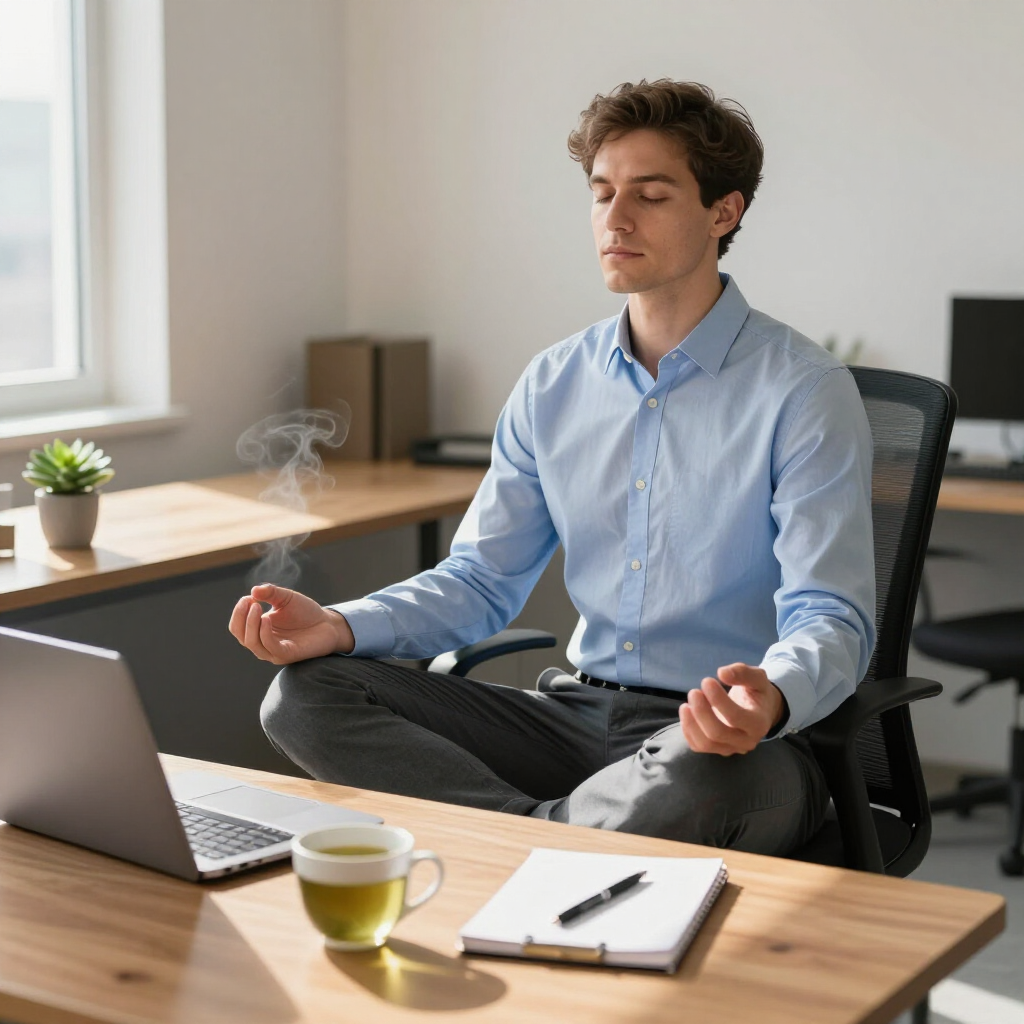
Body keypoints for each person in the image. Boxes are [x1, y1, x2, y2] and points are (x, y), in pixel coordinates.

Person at [229, 79, 875, 856]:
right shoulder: (553, 382)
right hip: (573, 719)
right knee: (305, 694)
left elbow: (830, 617)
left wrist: (770, 697)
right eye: (602, 194)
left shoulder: (803, 390)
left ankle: (524, 845)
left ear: (723, 212)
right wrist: (339, 625)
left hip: (721, 742)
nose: (616, 219)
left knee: (709, 779)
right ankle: (559, 843)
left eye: (651, 195)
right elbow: (478, 582)